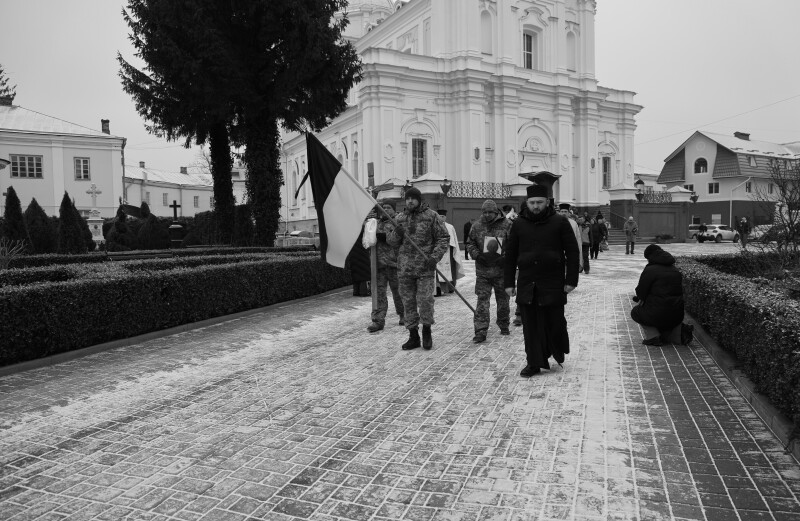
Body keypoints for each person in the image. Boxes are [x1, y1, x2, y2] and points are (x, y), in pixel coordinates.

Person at [504, 185, 580, 377]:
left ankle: (555, 347)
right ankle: (534, 362)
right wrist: (508, 283)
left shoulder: (560, 222)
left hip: (552, 281)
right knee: (530, 326)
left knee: (555, 322)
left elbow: (572, 252)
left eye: (539, 202)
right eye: (532, 203)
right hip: (528, 282)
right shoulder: (519, 224)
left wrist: (571, 279)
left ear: (547, 202)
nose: (535, 206)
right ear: (526, 203)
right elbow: (510, 254)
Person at [387, 187, 450, 350]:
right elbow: (391, 242)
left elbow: (443, 238)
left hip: (424, 268)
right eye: (407, 199)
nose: (410, 201)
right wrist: (397, 234)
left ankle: (427, 331)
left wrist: (434, 257)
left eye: (413, 198)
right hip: (405, 269)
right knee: (408, 303)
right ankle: (413, 335)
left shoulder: (431, 216)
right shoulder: (400, 218)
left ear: (419, 200)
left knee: (425, 301)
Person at [466, 199, 512, 343]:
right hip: (483, 272)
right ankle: (480, 330)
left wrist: (505, 258)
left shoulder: (507, 225)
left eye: (489, 212)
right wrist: (477, 255)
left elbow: (514, 244)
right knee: (482, 301)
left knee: (503, 300)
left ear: (496, 211)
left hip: (501, 271)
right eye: (484, 212)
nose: (486, 215)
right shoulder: (477, 226)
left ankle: (504, 324)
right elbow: (470, 243)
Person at [631, 244, 693, 346]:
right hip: (677, 315)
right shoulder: (675, 269)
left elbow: (641, 292)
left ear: (650, 257)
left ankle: (653, 337)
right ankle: (679, 333)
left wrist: (639, 299)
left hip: (657, 314)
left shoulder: (650, 270)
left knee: (636, 312)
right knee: (669, 334)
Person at [367, 199, 405, 333]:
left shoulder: (398, 222)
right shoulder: (376, 223)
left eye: (388, 207)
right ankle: (378, 320)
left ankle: (404, 315)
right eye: (383, 208)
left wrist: (383, 236)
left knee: (399, 292)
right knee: (378, 294)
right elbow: (368, 239)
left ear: (394, 210)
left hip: (394, 264)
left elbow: (398, 239)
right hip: (379, 265)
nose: (385, 210)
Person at [435, 209, 465, 296]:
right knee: (438, 271)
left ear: (445, 217)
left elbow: (453, 241)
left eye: (443, 216)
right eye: (439, 216)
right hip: (438, 252)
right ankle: (438, 288)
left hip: (448, 252)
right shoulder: (434, 226)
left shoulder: (450, 227)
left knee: (449, 270)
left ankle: (450, 287)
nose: (441, 218)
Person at [557, 203, 583, 273]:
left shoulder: (574, 224)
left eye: (565, 212)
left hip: (570, 253)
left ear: (569, 213)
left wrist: (580, 259)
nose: (563, 213)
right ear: (559, 212)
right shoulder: (555, 223)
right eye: (562, 211)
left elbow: (578, 240)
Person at [346, 230, 371, 296]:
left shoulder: (351, 231)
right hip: (362, 253)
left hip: (353, 254)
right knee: (364, 274)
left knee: (356, 272)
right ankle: (363, 292)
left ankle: (356, 291)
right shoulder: (363, 230)